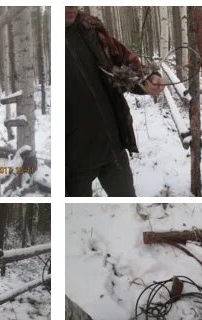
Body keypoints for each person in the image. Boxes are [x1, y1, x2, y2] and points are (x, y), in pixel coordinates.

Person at [65, 7, 164, 196]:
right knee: (77, 218)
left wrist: (147, 77)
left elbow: (121, 59)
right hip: (73, 164)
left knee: (126, 205)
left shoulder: (90, 27)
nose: (70, 7)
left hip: (113, 147)